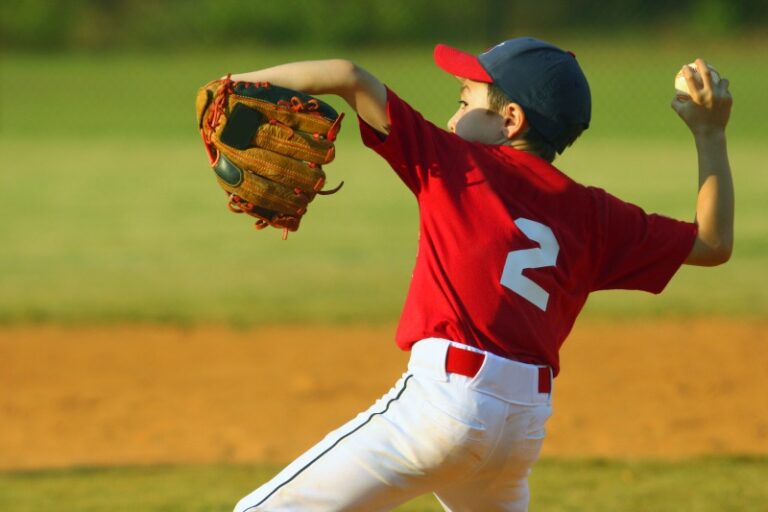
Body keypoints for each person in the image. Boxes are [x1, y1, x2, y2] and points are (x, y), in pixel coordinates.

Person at [230, 37, 734, 511]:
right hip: (521, 426)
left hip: (442, 406)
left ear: (510, 119)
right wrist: (709, 132)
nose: (452, 119)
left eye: (465, 100)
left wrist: (231, 86)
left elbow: (347, 75)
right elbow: (712, 243)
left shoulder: (456, 164)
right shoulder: (595, 216)